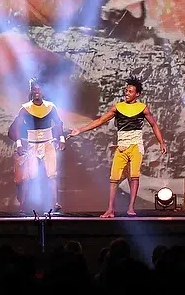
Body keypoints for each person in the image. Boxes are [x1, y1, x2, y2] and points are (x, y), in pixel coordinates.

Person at [70, 78, 166, 217]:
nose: (127, 93)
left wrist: (161, 142)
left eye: (130, 91)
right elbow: (100, 121)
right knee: (114, 177)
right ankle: (110, 209)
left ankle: (131, 207)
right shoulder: (117, 107)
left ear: (137, 94)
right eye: (126, 91)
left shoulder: (143, 108)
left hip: (135, 146)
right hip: (121, 146)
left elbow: (154, 125)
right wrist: (80, 130)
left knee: (134, 176)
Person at [8, 79, 67, 213]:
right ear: (31, 91)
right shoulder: (25, 108)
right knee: (30, 176)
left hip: (48, 143)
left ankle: (55, 203)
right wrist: (18, 144)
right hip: (32, 145)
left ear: (43, 91)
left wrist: (61, 139)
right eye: (34, 89)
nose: (37, 92)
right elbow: (17, 127)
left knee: (52, 174)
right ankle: (23, 206)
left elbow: (58, 123)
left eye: (39, 89)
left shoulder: (50, 107)